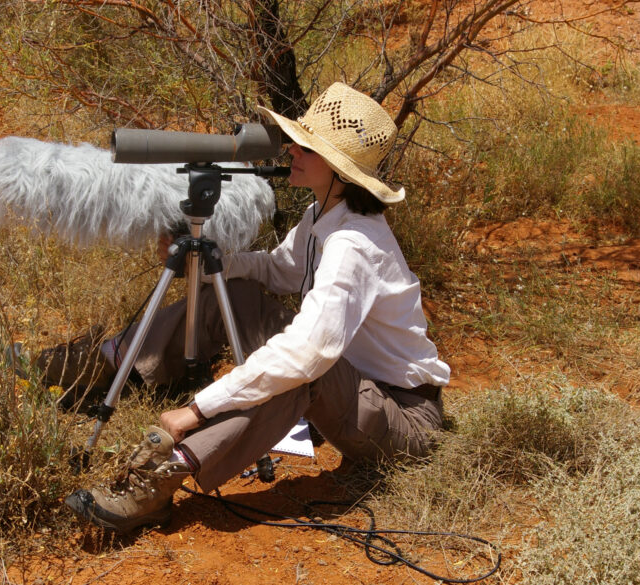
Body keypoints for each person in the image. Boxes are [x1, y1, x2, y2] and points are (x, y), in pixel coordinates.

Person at [59, 82, 451, 533]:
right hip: (361, 390)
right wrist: (210, 263)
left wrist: (198, 409)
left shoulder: (354, 245)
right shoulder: (322, 215)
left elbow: (309, 354)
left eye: (307, 147)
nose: (292, 152)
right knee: (241, 294)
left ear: (341, 172)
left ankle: (162, 479)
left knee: (303, 369)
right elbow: (279, 270)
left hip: (406, 423)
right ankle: (109, 363)